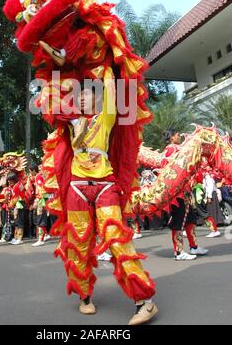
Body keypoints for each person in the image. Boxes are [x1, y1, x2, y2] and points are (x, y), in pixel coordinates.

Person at [56, 69, 158, 325]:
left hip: (105, 185)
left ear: (98, 98)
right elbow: (54, 101)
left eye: (86, 94)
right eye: (78, 96)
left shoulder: (106, 116)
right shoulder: (69, 121)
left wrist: (107, 64)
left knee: (117, 239)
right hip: (77, 186)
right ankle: (84, 296)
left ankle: (145, 301)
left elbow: (111, 89)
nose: (80, 99)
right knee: (78, 243)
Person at [163, 129, 208, 261]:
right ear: (171, 137)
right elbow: (168, 168)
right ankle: (179, 252)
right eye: (177, 135)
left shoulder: (179, 148)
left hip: (186, 191)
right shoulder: (170, 149)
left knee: (190, 220)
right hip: (177, 193)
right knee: (178, 221)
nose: (179, 136)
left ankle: (194, 246)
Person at [8, 173, 26, 245]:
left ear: (13, 180)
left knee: (19, 222)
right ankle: (16, 237)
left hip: (19, 205)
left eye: (9, 180)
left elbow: (15, 198)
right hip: (19, 204)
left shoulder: (16, 186)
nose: (9, 182)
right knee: (17, 222)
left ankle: (19, 238)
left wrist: (10, 205)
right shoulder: (18, 184)